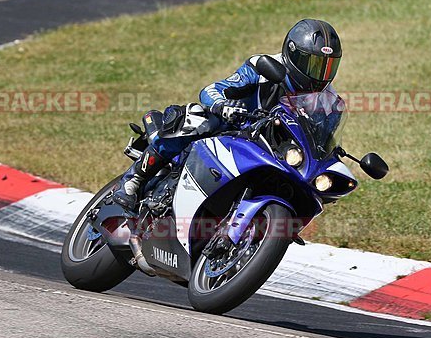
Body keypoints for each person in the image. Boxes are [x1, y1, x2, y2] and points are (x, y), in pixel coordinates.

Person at [112, 18, 343, 212]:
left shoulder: (328, 103)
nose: (319, 74)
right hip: (230, 127)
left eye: (327, 66)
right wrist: (223, 105)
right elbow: (212, 90)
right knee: (198, 119)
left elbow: (321, 142)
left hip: (270, 149)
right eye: (312, 64)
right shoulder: (263, 66)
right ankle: (135, 178)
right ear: (292, 54)